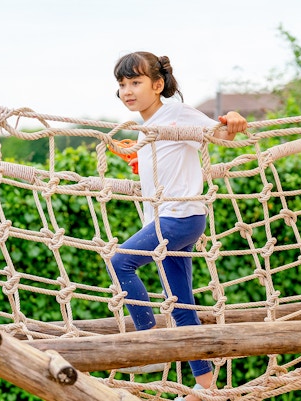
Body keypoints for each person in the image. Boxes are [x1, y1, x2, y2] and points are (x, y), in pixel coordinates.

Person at [110, 51, 247, 401]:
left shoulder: (178, 114)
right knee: (181, 305)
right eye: (122, 84)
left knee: (120, 261)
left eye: (136, 82)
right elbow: (163, 164)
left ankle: (147, 342)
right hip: (167, 219)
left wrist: (231, 120)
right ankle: (204, 387)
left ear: (158, 85)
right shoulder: (145, 127)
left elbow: (219, 135)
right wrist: (133, 157)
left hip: (181, 217)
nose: (128, 90)